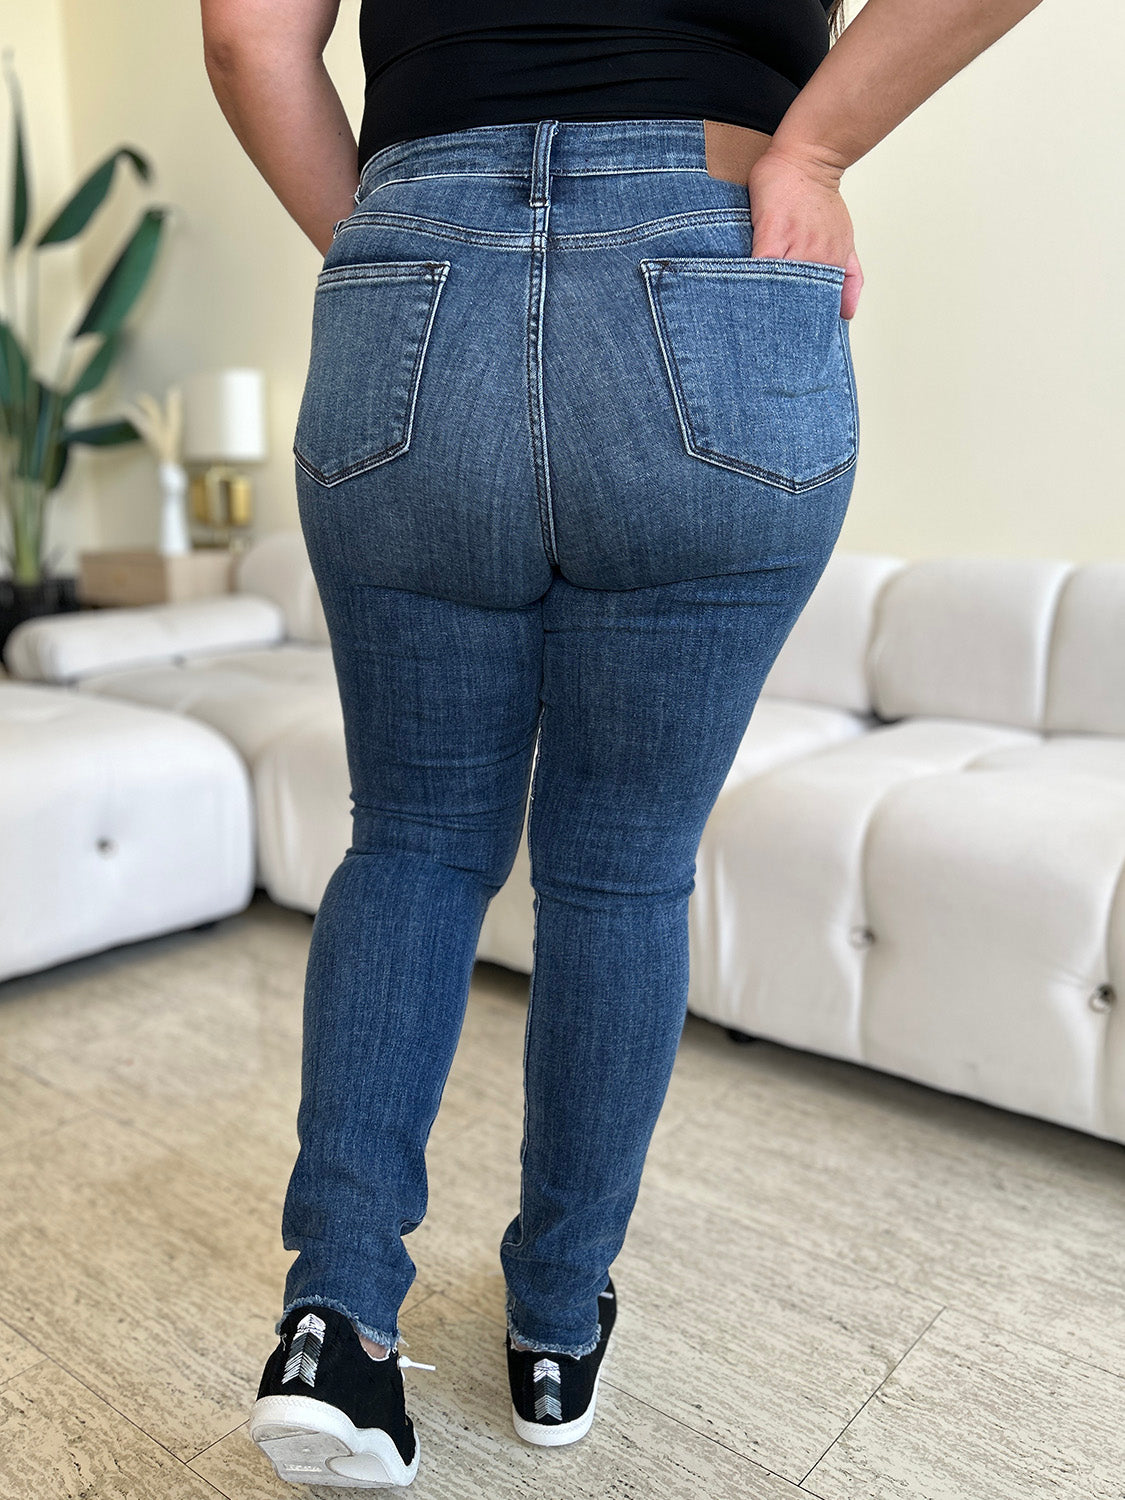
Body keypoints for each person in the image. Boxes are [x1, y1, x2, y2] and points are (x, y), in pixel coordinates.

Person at [201, 0, 1044, 1487]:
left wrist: (399, 254)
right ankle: (549, 1325)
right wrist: (821, 144)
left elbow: (247, 35)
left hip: (417, 260)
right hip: (706, 262)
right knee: (619, 872)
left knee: (411, 839)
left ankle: (336, 1321)